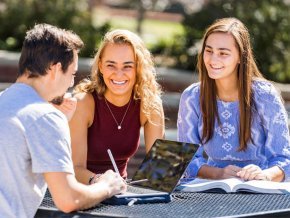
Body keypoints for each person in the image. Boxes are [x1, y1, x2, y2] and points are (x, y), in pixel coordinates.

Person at [0, 23, 126, 218]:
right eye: (72, 74)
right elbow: (69, 199)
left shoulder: (5, 102)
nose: (71, 83)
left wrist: (61, 123)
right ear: (55, 68)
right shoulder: (45, 117)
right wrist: (106, 186)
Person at [177, 17, 290, 182]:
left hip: (260, 190)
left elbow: (284, 158)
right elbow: (185, 159)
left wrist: (265, 175)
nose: (213, 60)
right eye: (209, 51)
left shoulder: (265, 96)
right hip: (210, 189)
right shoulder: (192, 97)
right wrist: (218, 174)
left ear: (240, 57)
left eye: (223, 53)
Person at [70, 29, 165, 184]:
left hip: (120, 193)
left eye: (127, 66)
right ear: (100, 66)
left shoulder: (150, 103)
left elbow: (158, 168)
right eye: (111, 65)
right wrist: (100, 182)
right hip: (82, 190)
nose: (118, 74)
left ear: (139, 68)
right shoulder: (83, 103)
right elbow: (74, 169)